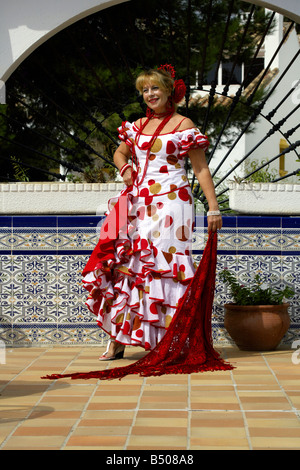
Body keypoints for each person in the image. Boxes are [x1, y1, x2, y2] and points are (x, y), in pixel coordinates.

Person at [83, 64, 222, 361]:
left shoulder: (184, 125)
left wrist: (213, 207)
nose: (149, 94)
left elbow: (200, 168)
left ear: (169, 90)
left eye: (155, 88)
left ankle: (169, 340)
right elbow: (120, 152)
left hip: (174, 204)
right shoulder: (137, 126)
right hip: (139, 202)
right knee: (128, 264)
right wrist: (125, 168)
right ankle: (118, 339)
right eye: (144, 90)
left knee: (166, 266)